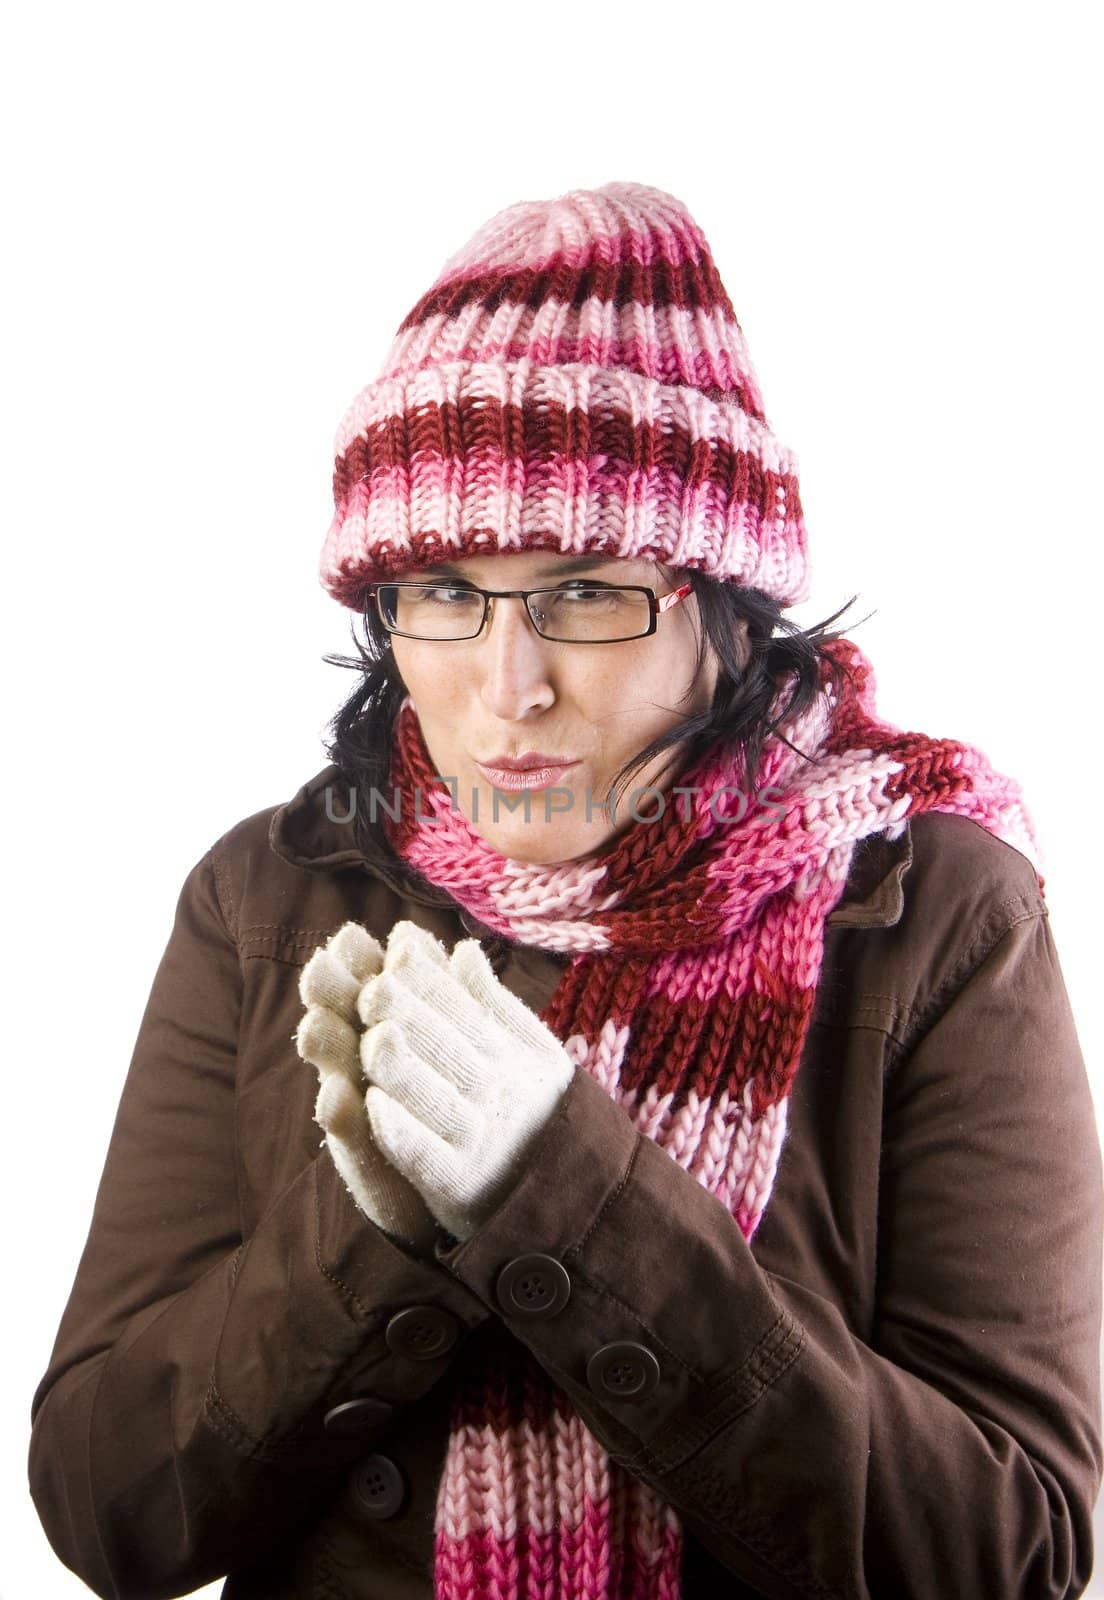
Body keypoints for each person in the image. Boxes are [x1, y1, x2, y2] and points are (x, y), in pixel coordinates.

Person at [27, 182, 1103, 1600]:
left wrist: (567, 1194)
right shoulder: (268, 897)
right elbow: (113, 1514)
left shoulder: (933, 911)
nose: (508, 686)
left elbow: (1012, 1549)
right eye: (447, 591)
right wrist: (374, 1236)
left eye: (588, 589)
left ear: (725, 595)